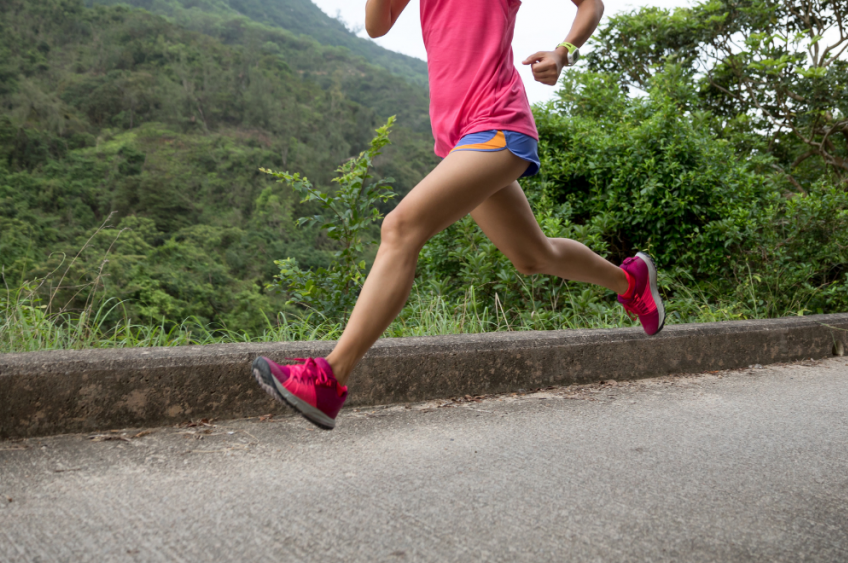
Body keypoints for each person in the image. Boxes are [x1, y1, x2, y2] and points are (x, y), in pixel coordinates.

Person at [251, 0, 665, 429]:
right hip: (459, 138)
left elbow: (591, 5)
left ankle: (329, 377)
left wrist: (563, 51)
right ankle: (630, 281)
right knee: (532, 257)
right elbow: (377, 26)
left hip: (498, 122)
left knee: (399, 227)